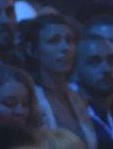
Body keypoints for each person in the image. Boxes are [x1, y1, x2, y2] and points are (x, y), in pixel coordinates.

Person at [21, 13, 96, 147]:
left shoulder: (77, 99)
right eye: (54, 41)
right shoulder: (29, 100)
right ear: (32, 50)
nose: (65, 48)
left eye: (69, 40)